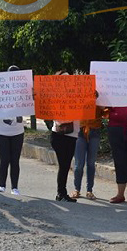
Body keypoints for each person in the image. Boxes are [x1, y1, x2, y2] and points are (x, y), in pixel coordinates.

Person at [48, 70, 81, 202]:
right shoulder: (55, 97)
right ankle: (61, 192)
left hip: (72, 136)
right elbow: (59, 119)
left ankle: (62, 192)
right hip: (59, 135)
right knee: (63, 165)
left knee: (66, 165)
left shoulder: (77, 95)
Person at [0, 65, 25, 195]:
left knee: (15, 160)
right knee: (4, 159)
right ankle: (2, 185)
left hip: (17, 131)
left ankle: (14, 187)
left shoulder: (23, 91)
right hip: (1, 130)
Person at [72, 104, 105, 200]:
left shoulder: (100, 95)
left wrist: (102, 105)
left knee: (91, 163)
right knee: (79, 164)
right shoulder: (78, 93)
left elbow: (106, 112)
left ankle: (89, 190)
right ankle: (76, 189)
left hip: (95, 130)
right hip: (80, 130)